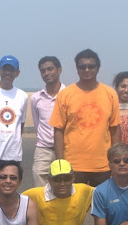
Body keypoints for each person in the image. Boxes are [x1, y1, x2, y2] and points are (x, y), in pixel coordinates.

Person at [50, 49, 120, 187]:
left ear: (98, 68)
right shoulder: (65, 95)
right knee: (73, 201)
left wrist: (116, 161)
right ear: (77, 69)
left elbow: (115, 130)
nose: (87, 70)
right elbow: (58, 130)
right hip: (73, 164)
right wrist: (61, 162)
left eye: (91, 66)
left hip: (103, 165)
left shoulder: (110, 94)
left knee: (102, 200)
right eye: (82, 67)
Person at [0, 56, 29, 179]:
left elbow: (20, 125)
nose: (8, 73)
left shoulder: (22, 96)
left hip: (13, 156)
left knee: (9, 189)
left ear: (17, 73)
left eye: (11, 70)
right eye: (5, 69)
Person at [30, 56, 65, 187]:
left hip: (66, 148)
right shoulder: (36, 98)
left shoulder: (68, 95)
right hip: (43, 149)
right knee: (39, 182)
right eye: (43, 71)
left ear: (59, 70)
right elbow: (37, 123)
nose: (46, 73)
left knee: (65, 183)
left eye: (50, 69)